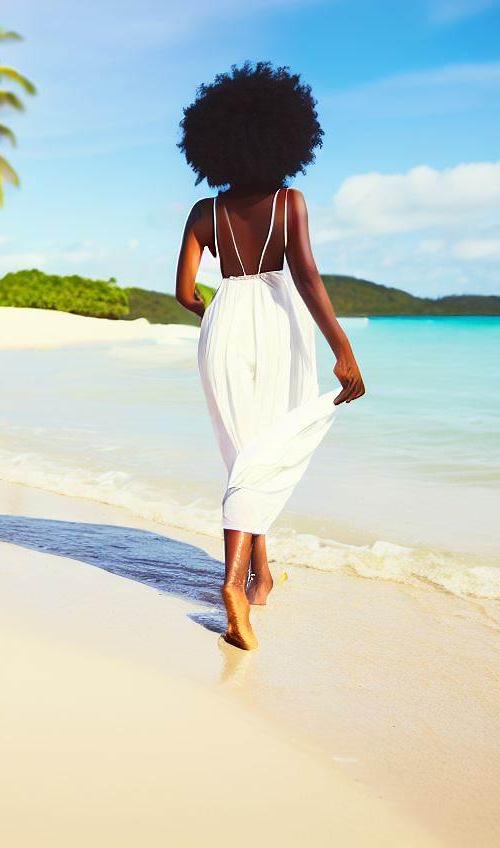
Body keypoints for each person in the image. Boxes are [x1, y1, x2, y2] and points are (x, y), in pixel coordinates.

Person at [174, 61, 365, 651]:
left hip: (224, 324)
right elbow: (307, 279)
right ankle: (235, 582)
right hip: (281, 329)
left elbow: (184, 293)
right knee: (268, 451)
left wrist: (220, 323)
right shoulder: (291, 202)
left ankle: (260, 577)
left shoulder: (204, 212)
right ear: (285, 137)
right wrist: (344, 350)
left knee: (243, 457)